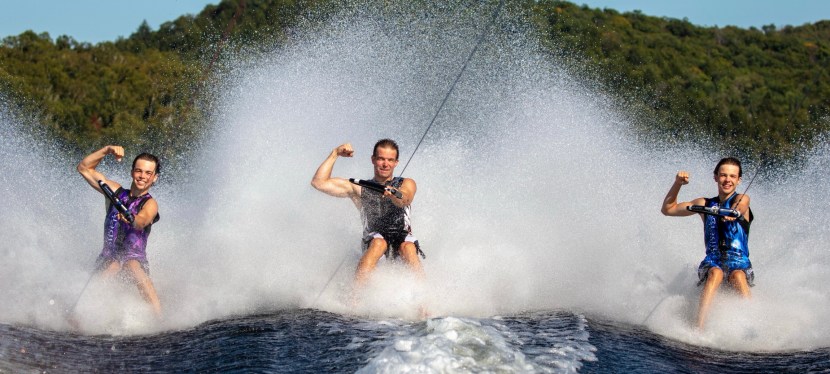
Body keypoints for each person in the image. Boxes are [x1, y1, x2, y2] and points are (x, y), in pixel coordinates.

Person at [311, 139, 425, 289]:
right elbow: (318, 183)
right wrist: (335, 153)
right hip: (374, 243)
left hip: (402, 241)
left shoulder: (406, 183)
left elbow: (405, 199)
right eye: (381, 159)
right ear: (373, 160)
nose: (385, 164)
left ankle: (424, 297)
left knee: (408, 247)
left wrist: (394, 194)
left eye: (390, 160)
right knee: (379, 243)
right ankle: (355, 296)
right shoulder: (359, 188)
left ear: (396, 163)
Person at [661, 157, 753, 329]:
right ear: (715, 177)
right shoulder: (704, 204)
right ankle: (699, 327)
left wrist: (734, 212)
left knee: (738, 276)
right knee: (716, 273)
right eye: (723, 175)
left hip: (739, 264)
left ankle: (754, 325)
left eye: (732, 176)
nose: (727, 180)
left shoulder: (742, 199)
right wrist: (677, 184)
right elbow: (668, 209)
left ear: (739, 180)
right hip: (713, 262)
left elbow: (741, 204)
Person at [77, 145, 162, 319]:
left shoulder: (150, 204)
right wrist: (106, 150)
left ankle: (159, 318)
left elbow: (142, 220)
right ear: (132, 172)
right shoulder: (115, 192)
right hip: (108, 259)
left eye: (148, 173)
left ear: (154, 178)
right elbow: (84, 168)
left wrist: (131, 218)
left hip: (135, 261)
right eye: (139, 171)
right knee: (113, 265)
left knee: (132, 265)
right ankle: (81, 317)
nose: (142, 176)